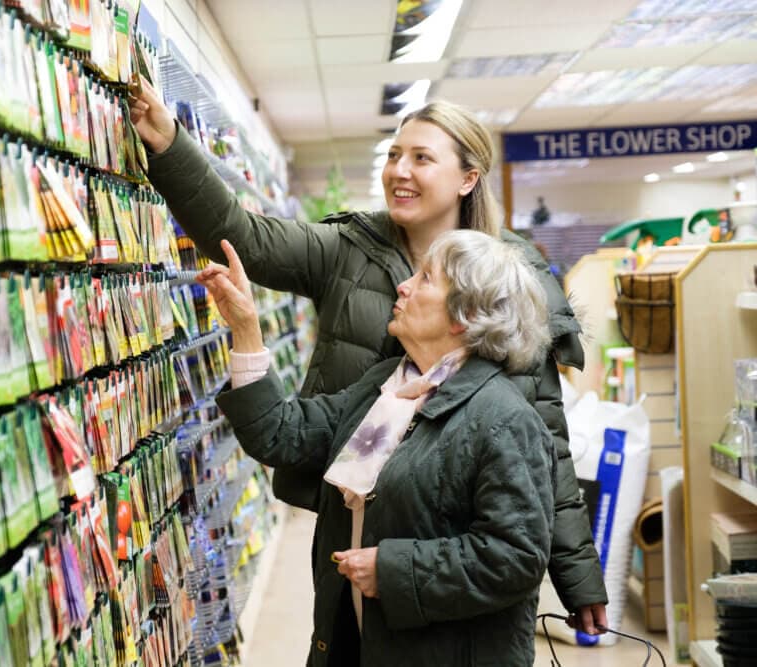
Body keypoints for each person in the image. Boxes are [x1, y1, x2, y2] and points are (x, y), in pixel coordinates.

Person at [128, 82, 608, 632]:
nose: (399, 171)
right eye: (394, 155)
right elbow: (244, 238)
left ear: (468, 178)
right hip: (355, 520)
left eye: (422, 158)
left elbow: (546, 438)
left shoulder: (512, 280)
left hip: (456, 535)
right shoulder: (348, 249)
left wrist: (577, 572)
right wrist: (169, 146)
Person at [200, 232, 556, 665]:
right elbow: (283, 432)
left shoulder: (504, 419)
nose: (404, 285)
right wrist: (246, 328)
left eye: (426, 278)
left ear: (465, 314)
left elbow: (514, 557)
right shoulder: (387, 385)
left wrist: (392, 571)